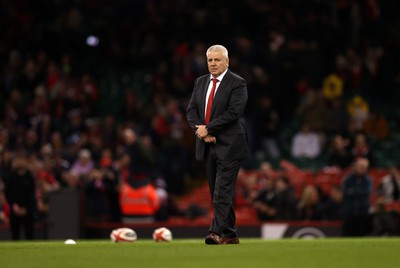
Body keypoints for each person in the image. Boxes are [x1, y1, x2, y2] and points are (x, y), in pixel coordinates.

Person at [186, 44, 250, 245]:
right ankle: (230, 234)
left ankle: (215, 232)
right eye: (210, 60)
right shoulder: (200, 82)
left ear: (227, 61)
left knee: (221, 190)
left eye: (217, 60)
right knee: (217, 190)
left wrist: (209, 129)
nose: (213, 64)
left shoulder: (237, 83)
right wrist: (202, 132)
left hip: (230, 145)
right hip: (208, 145)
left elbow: (234, 112)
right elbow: (192, 110)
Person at [341, 157, 373, 236]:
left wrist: (353, 191)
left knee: (362, 235)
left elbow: (366, 192)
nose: (363, 169)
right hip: (350, 212)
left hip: (363, 212)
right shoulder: (348, 179)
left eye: (364, 168)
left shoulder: (367, 180)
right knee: (348, 235)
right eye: (361, 167)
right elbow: (346, 193)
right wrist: (358, 192)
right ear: (355, 167)